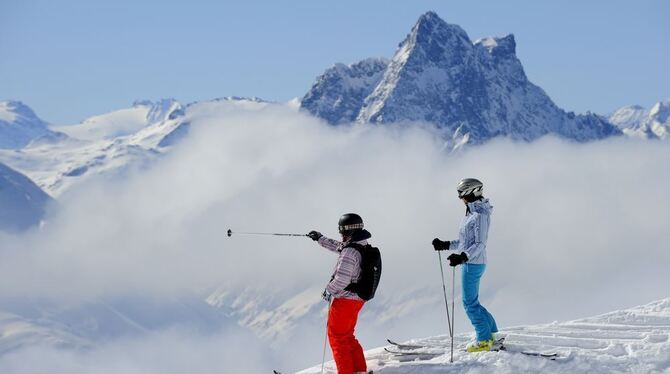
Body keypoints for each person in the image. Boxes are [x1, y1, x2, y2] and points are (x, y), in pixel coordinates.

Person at [432, 178, 499, 352]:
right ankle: (492, 334)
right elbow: (465, 242)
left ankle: (484, 340)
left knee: (469, 304)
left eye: (460, 194)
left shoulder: (480, 215)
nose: (459, 197)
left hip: (473, 263)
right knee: (473, 302)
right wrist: (446, 245)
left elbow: (480, 244)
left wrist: (463, 257)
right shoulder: (472, 213)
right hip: (472, 261)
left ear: (469, 193)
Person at [308, 213, 371, 374]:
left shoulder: (350, 252)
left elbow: (342, 279)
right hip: (356, 300)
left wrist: (328, 290)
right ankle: (359, 370)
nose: (341, 234)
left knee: (337, 338)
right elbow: (339, 246)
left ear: (349, 230)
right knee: (347, 336)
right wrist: (320, 238)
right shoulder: (360, 244)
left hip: (345, 301)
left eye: (342, 231)